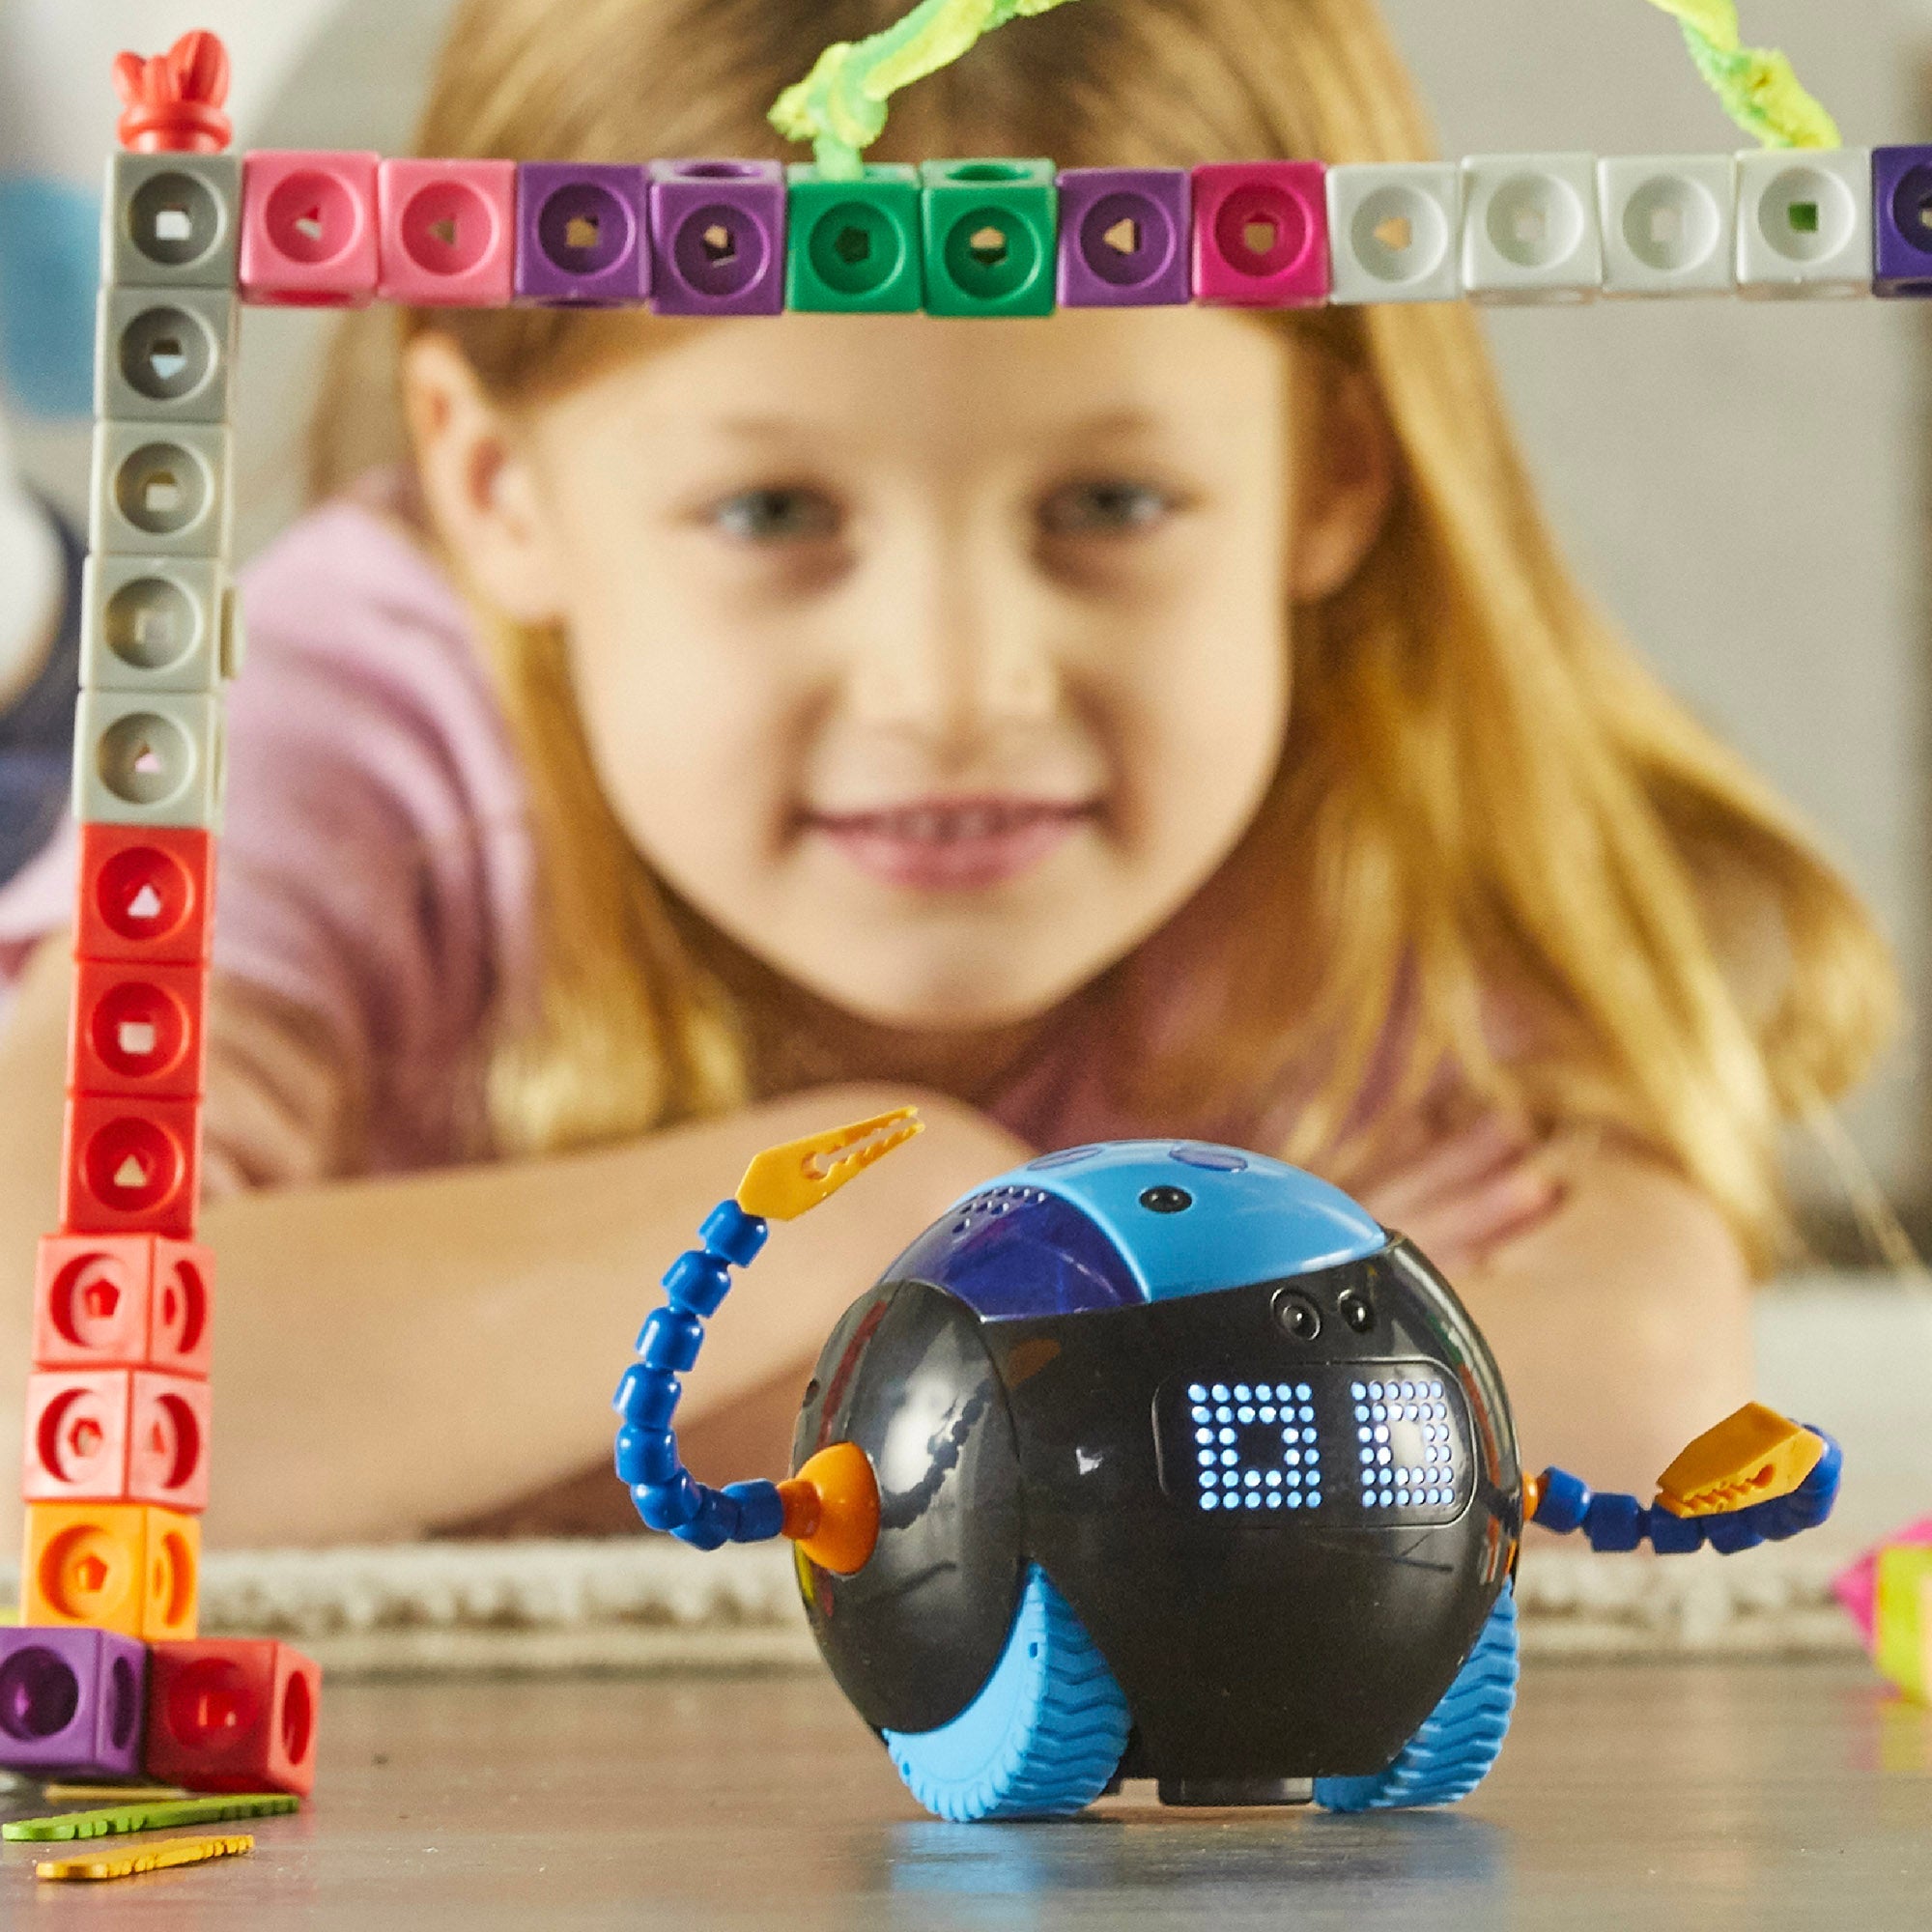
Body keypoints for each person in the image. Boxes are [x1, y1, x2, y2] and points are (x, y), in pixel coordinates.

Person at [0, 0, 1896, 1548]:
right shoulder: (362, 699)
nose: (956, 689)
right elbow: (36, 1372)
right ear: (496, 491)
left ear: (1333, 473)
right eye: (769, 509)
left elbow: (1627, 1407)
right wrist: (885, 1203)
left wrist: (892, 1330)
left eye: (1107, 502)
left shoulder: (1354, 819)